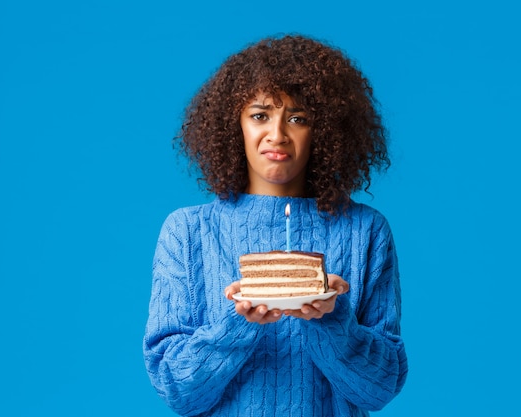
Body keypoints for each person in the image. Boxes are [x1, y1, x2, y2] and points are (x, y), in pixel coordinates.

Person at [143, 34, 408, 416]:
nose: (278, 134)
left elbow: (379, 390)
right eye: (260, 115)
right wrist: (239, 324)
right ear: (234, 124)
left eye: (298, 118)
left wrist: (331, 320)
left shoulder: (365, 231)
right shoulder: (187, 232)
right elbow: (177, 389)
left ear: (326, 130)